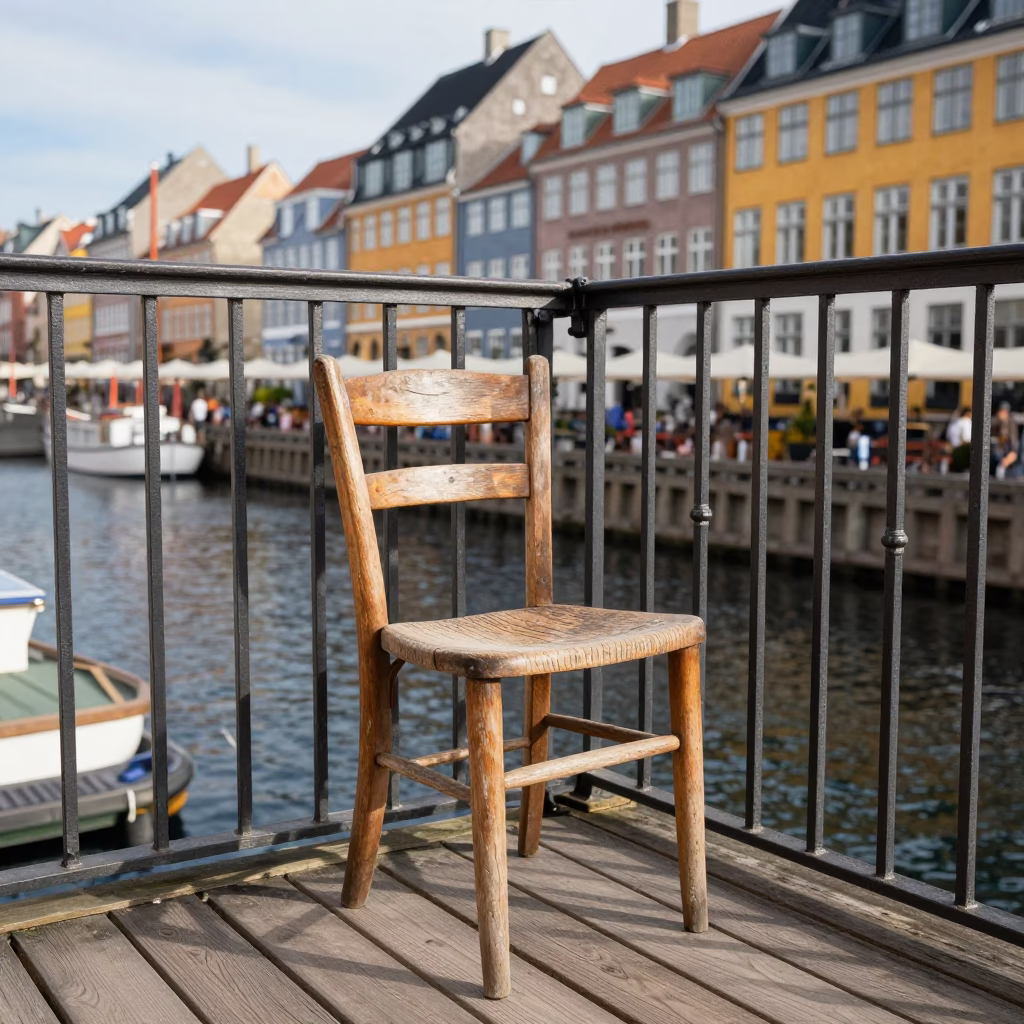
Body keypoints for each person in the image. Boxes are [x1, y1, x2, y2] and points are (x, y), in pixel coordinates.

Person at [993, 402, 1020, 478]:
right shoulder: (999, 422)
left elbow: (1013, 441)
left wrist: (1011, 454)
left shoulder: (1010, 422)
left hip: (1010, 452)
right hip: (1002, 451)